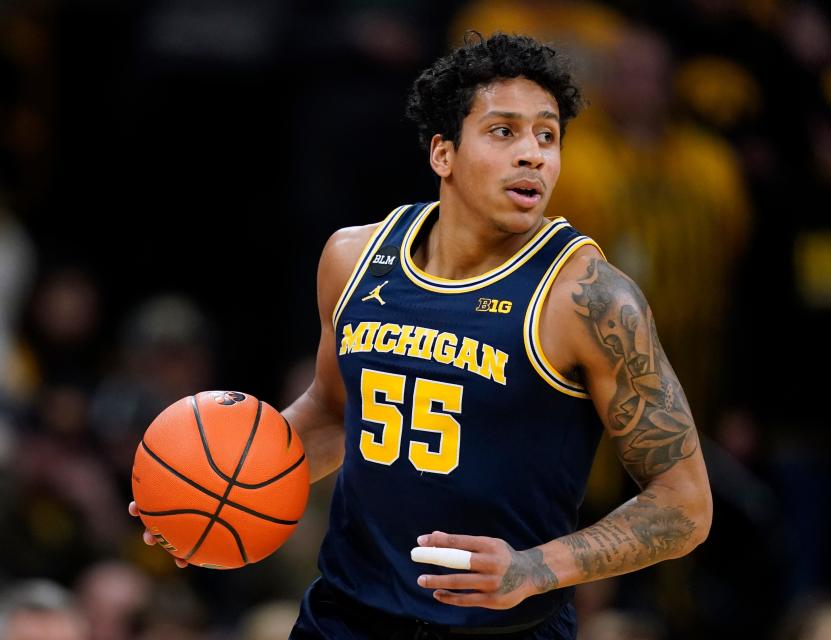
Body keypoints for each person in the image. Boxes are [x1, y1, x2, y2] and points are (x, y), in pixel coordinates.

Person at [130, 32, 712, 639]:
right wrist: (205, 496)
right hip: (346, 616)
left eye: (548, 134)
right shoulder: (353, 258)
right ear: (443, 153)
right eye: (504, 131)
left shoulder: (589, 299)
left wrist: (535, 568)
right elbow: (333, 415)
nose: (534, 154)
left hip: (501, 630)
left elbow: (685, 504)